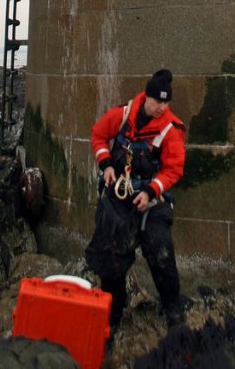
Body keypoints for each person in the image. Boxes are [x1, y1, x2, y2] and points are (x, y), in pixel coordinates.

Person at [85, 69, 186, 330]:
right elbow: (98, 135)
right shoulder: (122, 116)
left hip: (151, 201)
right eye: (157, 101)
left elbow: (174, 169)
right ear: (147, 97)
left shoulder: (170, 130)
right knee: (111, 260)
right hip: (119, 199)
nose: (161, 108)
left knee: (161, 254)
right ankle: (113, 315)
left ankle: (173, 311)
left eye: (166, 102)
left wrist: (151, 191)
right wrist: (105, 164)